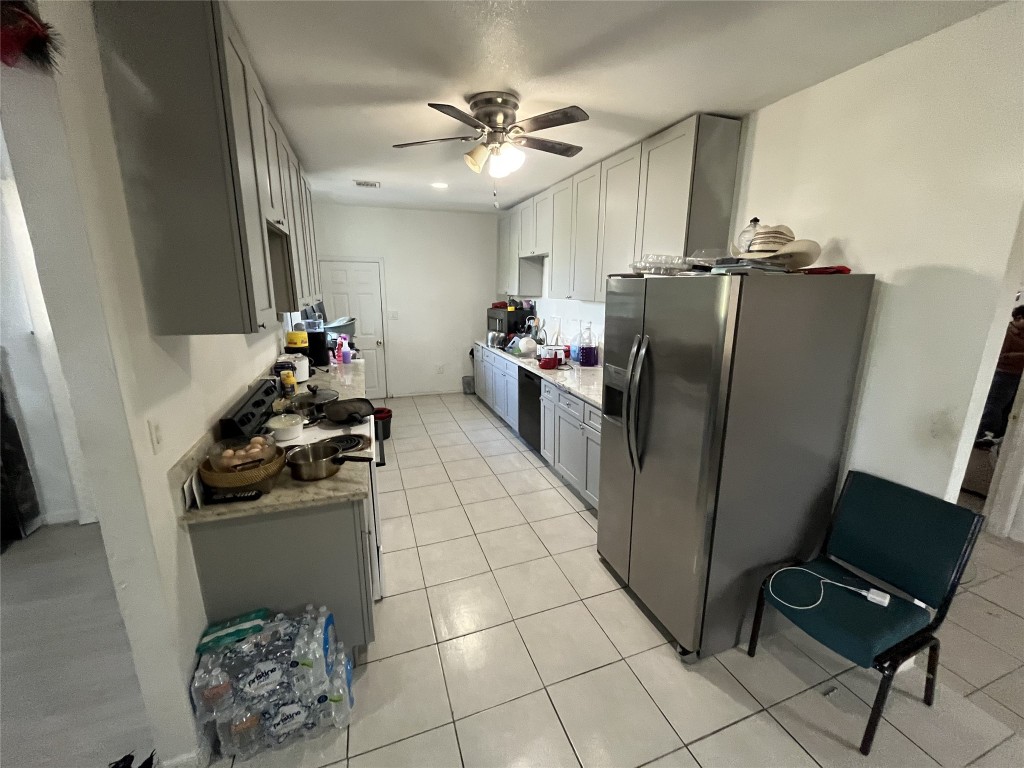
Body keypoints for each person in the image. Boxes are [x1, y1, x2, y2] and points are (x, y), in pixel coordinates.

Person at [976, 305, 1024, 446]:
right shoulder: (1007, 332)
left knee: (1009, 407)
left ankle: (998, 435)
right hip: (1004, 373)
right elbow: (1000, 356)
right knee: (995, 405)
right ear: (1019, 318)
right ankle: (985, 434)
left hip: (1018, 376)